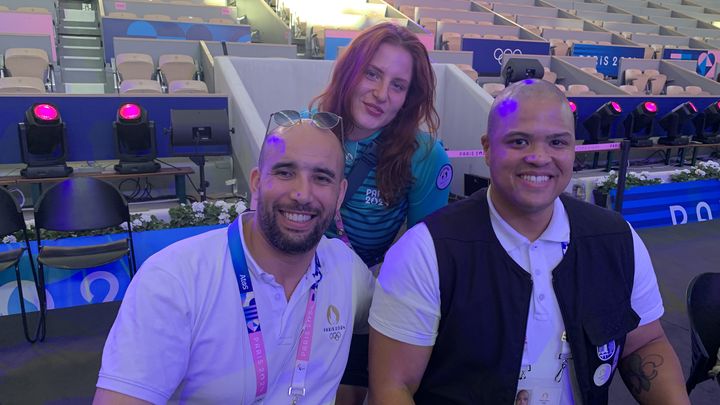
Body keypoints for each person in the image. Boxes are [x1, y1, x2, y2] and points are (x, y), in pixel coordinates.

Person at [367, 79, 690, 405]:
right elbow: (394, 386)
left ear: (573, 149)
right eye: (519, 141)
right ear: (487, 148)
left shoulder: (618, 240)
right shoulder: (425, 251)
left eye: (557, 142)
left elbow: (644, 343)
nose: (539, 157)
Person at [93, 117, 375, 404]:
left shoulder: (347, 269)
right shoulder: (175, 278)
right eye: (285, 172)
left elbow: (379, 329)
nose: (302, 194)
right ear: (256, 183)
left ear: (339, 194)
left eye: (321, 178)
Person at [312, 22, 452, 268]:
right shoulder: (307, 130)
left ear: (409, 97)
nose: (381, 93)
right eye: (372, 74)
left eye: (398, 85)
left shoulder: (425, 157)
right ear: (349, 72)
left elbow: (423, 257)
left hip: (363, 294)